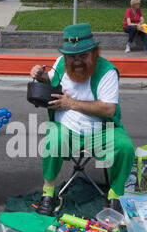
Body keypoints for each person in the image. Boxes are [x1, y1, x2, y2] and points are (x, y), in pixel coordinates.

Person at [30, 23, 135, 217]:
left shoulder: (107, 71)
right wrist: (40, 76)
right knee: (53, 139)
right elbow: (51, 80)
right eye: (72, 56)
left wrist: (70, 103)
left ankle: (115, 195)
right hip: (65, 129)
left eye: (82, 56)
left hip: (101, 132)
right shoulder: (61, 62)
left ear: (94, 52)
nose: (76, 61)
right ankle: (48, 194)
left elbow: (109, 108)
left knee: (124, 146)